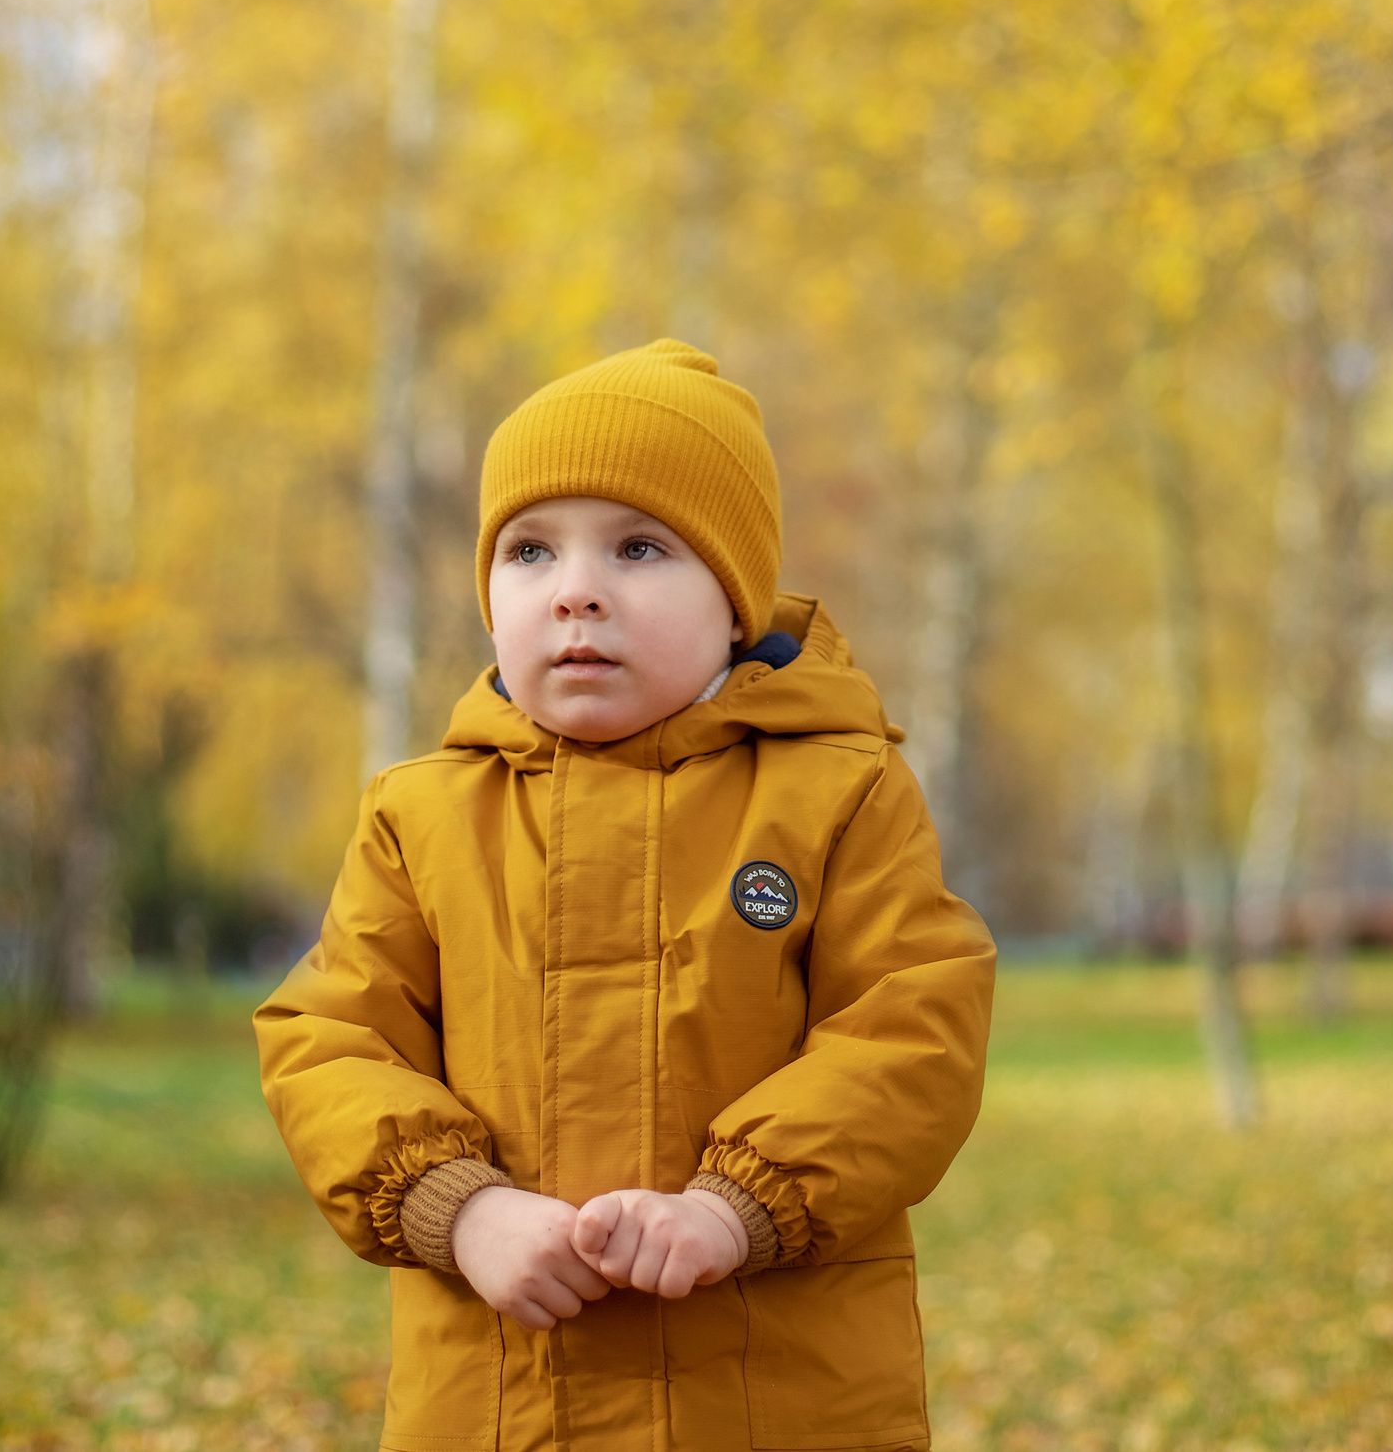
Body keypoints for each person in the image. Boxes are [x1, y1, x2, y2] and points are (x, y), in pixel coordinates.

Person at [255, 339, 997, 1452]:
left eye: (640, 548)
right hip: (502, 1402)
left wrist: (732, 1206)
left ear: (735, 600)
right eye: (529, 552)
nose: (576, 592)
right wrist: (460, 1206)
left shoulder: (839, 795)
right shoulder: (422, 817)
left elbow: (911, 1033)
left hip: (770, 1402)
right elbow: (330, 1038)